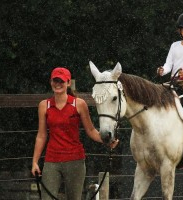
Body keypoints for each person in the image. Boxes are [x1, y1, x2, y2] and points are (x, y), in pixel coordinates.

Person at [31, 67, 118, 200]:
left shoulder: (79, 104)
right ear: (51, 82)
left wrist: (106, 140)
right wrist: (35, 162)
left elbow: (90, 130)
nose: (58, 84)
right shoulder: (44, 105)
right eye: (55, 81)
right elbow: (41, 135)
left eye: (61, 81)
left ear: (68, 83)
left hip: (75, 161)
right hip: (51, 161)